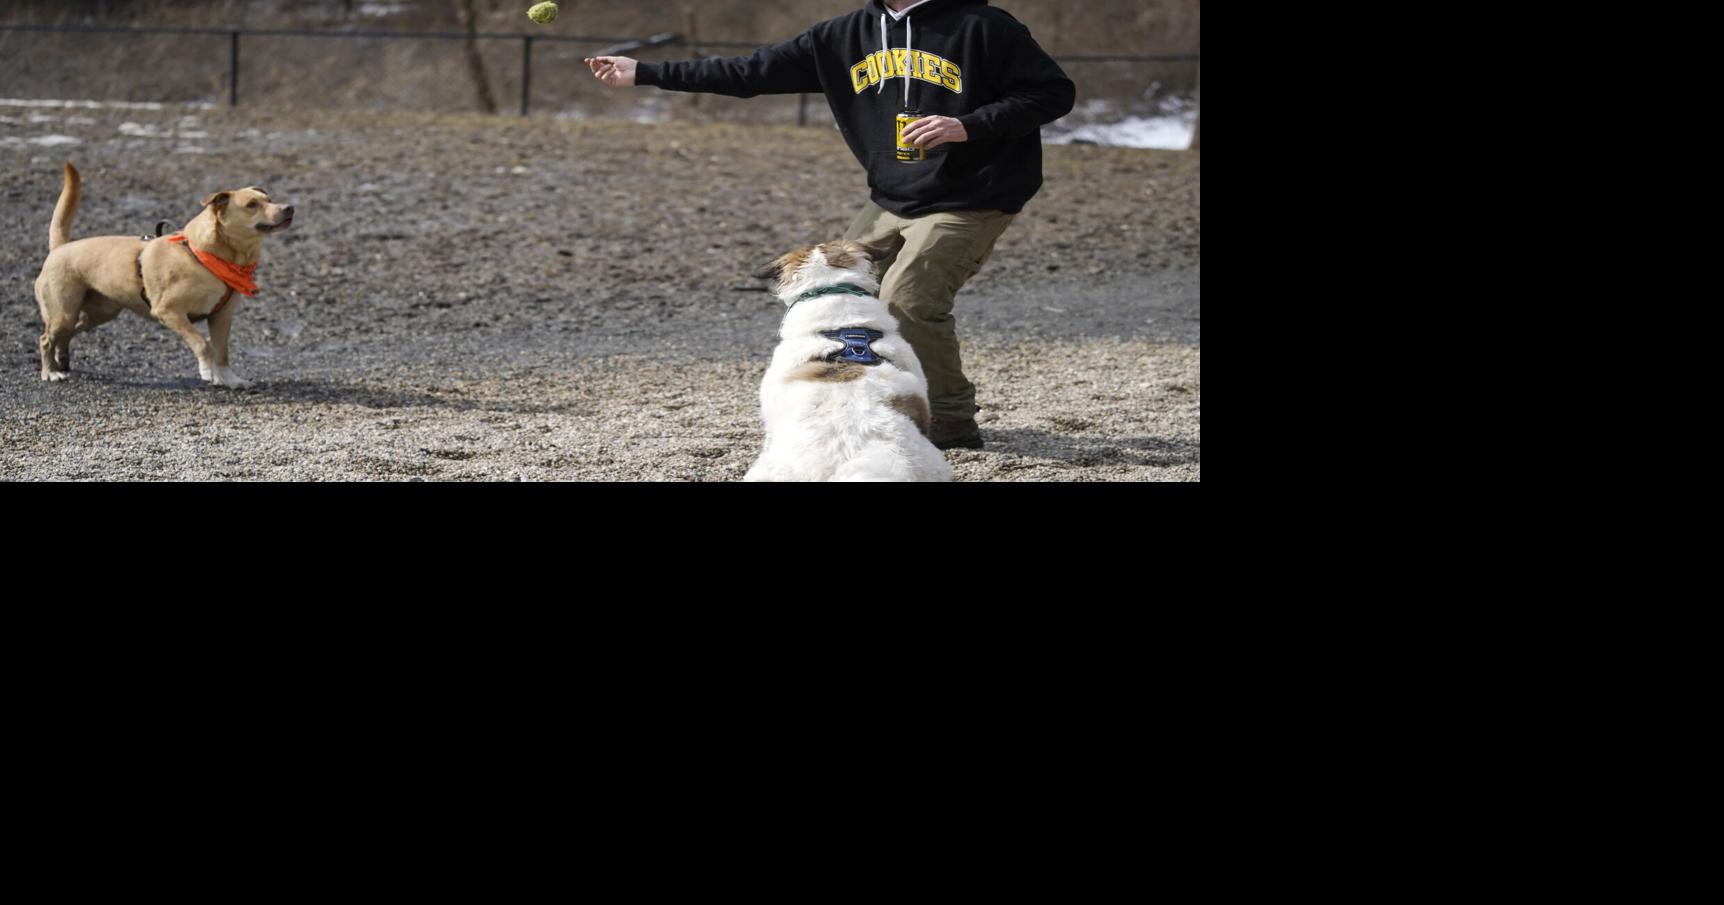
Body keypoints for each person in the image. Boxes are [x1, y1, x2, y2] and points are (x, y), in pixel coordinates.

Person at [587, 0, 1074, 449]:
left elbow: (1053, 93)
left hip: (974, 194)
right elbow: (750, 71)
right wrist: (646, 72)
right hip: (892, 196)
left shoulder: (983, 26)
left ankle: (951, 419)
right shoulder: (842, 35)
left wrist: (969, 125)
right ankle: (861, 397)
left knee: (907, 300)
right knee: (834, 296)